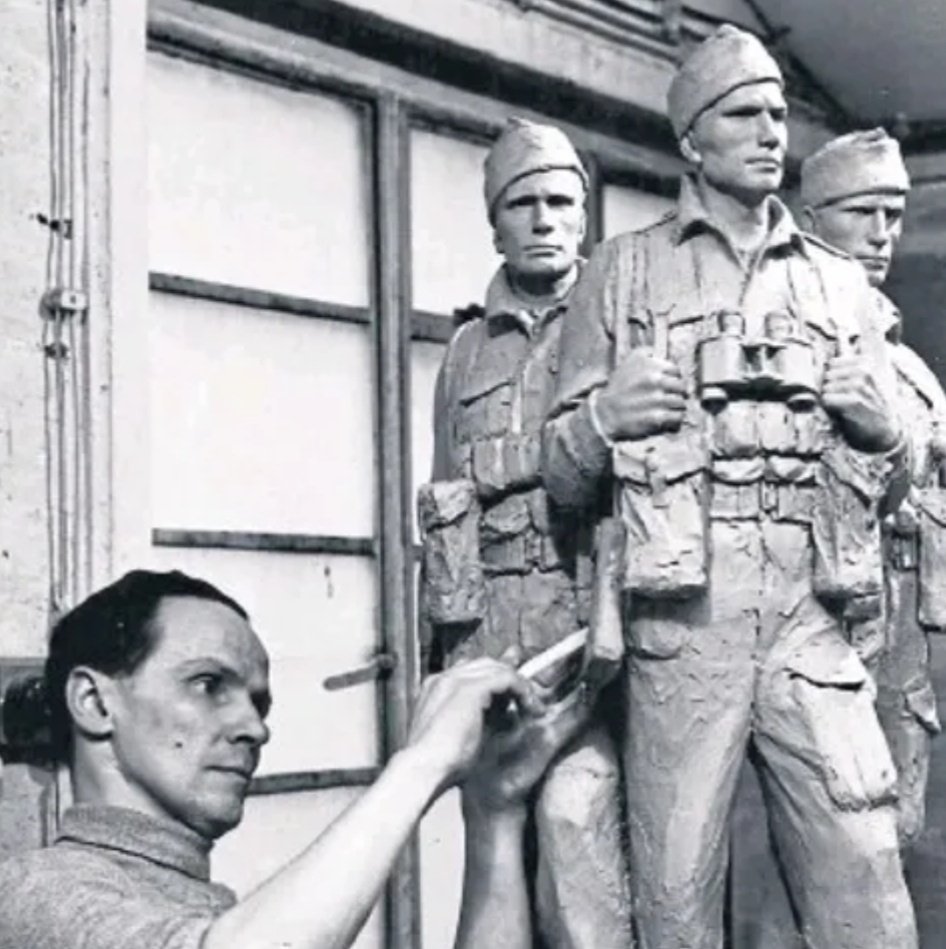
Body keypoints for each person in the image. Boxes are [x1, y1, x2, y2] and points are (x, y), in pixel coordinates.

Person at [544, 23, 917, 949]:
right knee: (675, 889)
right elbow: (557, 473)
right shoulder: (621, 271)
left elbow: (899, 480)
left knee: (864, 866)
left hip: (811, 612)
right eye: (743, 114)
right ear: (690, 140)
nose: (769, 133)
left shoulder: (842, 289)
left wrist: (888, 431)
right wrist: (602, 419)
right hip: (685, 620)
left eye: (779, 114)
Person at [0, 569, 591, 949]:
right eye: (208, 685)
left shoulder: (208, 912)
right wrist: (421, 760)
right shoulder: (32, 897)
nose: (254, 727)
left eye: (258, 702)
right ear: (94, 702)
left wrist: (493, 811)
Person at [418, 117, 631, 947]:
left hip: (592, 628)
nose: (543, 219)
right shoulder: (466, 348)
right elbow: (444, 506)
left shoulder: (614, 327)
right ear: (494, 222)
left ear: (583, 217)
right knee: (498, 848)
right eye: (523, 203)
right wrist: (448, 657)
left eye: (559, 202)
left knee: (579, 828)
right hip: (494, 637)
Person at [801, 128, 944, 846]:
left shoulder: (914, 374)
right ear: (810, 219)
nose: (882, 233)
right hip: (819, 631)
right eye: (863, 211)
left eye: (893, 214)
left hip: (906, 646)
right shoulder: (789, 351)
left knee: (899, 837)